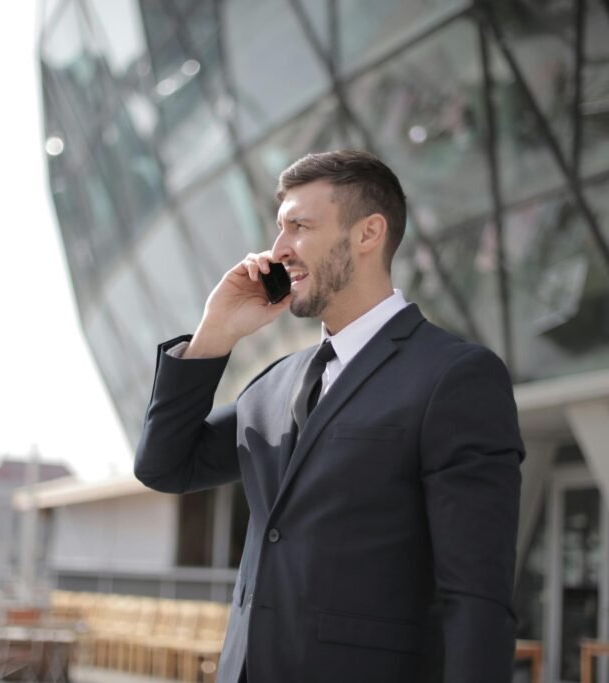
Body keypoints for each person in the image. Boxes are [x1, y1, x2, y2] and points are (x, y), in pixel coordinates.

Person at [135, 150, 523, 682]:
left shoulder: (455, 377)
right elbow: (164, 466)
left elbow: (476, 597)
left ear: (368, 234)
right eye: (278, 229)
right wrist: (214, 335)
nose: (277, 250)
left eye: (299, 227)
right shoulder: (272, 386)